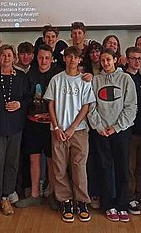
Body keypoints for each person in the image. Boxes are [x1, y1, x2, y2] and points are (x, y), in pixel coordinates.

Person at [45, 46, 96, 223]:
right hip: (58, 131)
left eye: (76, 57)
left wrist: (72, 127)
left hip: (79, 131)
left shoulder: (85, 81)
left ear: (80, 59)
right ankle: (65, 201)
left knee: (79, 166)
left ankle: (81, 201)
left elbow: (86, 106)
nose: (72, 60)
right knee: (59, 167)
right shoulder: (56, 80)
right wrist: (57, 127)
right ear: (65, 59)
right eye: (69, 57)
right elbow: (50, 104)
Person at [0, 44, 31, 215]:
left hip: (16, 127)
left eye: (9, 55)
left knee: (12, 163)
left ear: (14, 58)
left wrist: (19, 104)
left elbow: (28, 99)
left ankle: (5, 197)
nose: (6, 58)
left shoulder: (21, 77)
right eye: (3, 55)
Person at [88, 49, 137, 223]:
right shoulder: (96, 80)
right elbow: (91, 106)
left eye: (109, 59)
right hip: (100, 131)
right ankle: (108, 204)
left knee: (122, 167)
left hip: (121, 131)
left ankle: (122, 204)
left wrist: (116, 127)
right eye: (102, 60)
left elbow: (131, 106)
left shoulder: (126, 79)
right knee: (104, 166)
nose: (106, 63)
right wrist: (99, 126)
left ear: (115, 60)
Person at [16, 44, 63, 208]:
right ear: (37, 58)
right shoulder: (30, 74)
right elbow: (25, 97)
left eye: (47, 58)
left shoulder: (58, 75)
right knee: (34, 158)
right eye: (41, 57)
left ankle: (51, 193)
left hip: (52, 125)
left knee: (52, 160)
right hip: (33, 123)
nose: (44, 61)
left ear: (52, 59)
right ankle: (35, 194)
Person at [124, 47, 141, 214]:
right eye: (133, 58)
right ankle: (130, 197)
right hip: (130, 130)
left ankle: (140, 193)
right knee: (130, 166)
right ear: (127, 59)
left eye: (139, 58)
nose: (136, 61)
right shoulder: (124, 77)